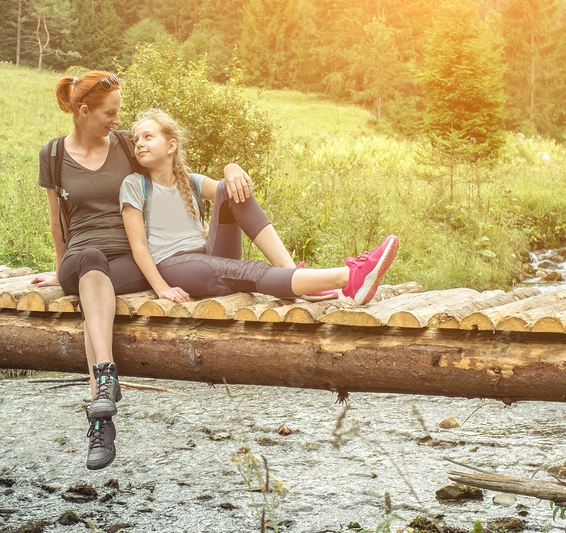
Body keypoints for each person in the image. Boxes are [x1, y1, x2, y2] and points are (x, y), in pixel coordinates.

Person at [31, 73, 253, 472]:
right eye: (110, 112)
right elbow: (56, 222)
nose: (118, 121)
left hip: (131, 261)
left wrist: (231, 170)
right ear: (84, 112)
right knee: (89, 263)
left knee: (93, 295)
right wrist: (57, 268)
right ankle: (105, 383)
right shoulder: (52, 155)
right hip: (82, 257)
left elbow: (173, 174)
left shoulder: (123, 146)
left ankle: (100, 407)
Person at [120, 109, 399, 306]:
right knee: (250, 270)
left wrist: (231, 168)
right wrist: (161, 288)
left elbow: (231, 192)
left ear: (171, 146)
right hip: (175, 266)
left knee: (228, 188)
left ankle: (289, 270)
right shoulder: (134, 185)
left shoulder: (190, 181)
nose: (139, 143)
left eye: (147, 137)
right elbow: (140, 247)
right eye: (136, 140)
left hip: (208, 254)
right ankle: (350, 278)